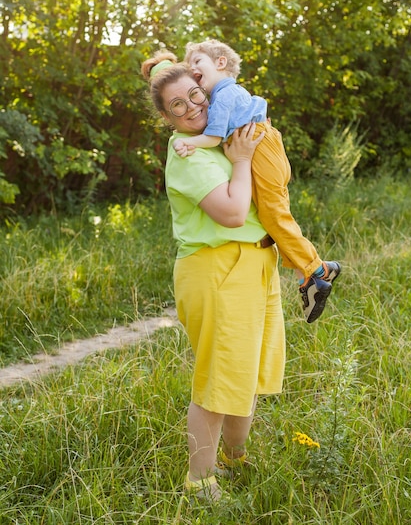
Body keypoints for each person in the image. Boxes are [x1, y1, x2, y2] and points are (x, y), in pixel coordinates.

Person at [141, 50, 286, 502]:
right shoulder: (187, 152)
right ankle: (200, 482)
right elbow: (231, 211)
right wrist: (241, 160)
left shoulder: (216, 136)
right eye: (178, 105)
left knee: (249, 374)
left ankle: (235, 459)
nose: (193, 107)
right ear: (167, 118)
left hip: (258, 263)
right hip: (217, 268)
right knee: (218, 379)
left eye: (195, 94)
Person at [173, 39, 341, 323]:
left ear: (221, 63)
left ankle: (314, 272)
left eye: (197, 62)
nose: (192, 69)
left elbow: (213, 137)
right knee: (272, 215)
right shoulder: (227, 94)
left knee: (274, 215)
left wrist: (190, 145)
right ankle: (317, 269)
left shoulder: (224, 95)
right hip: (265, 146)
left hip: (260, 150)